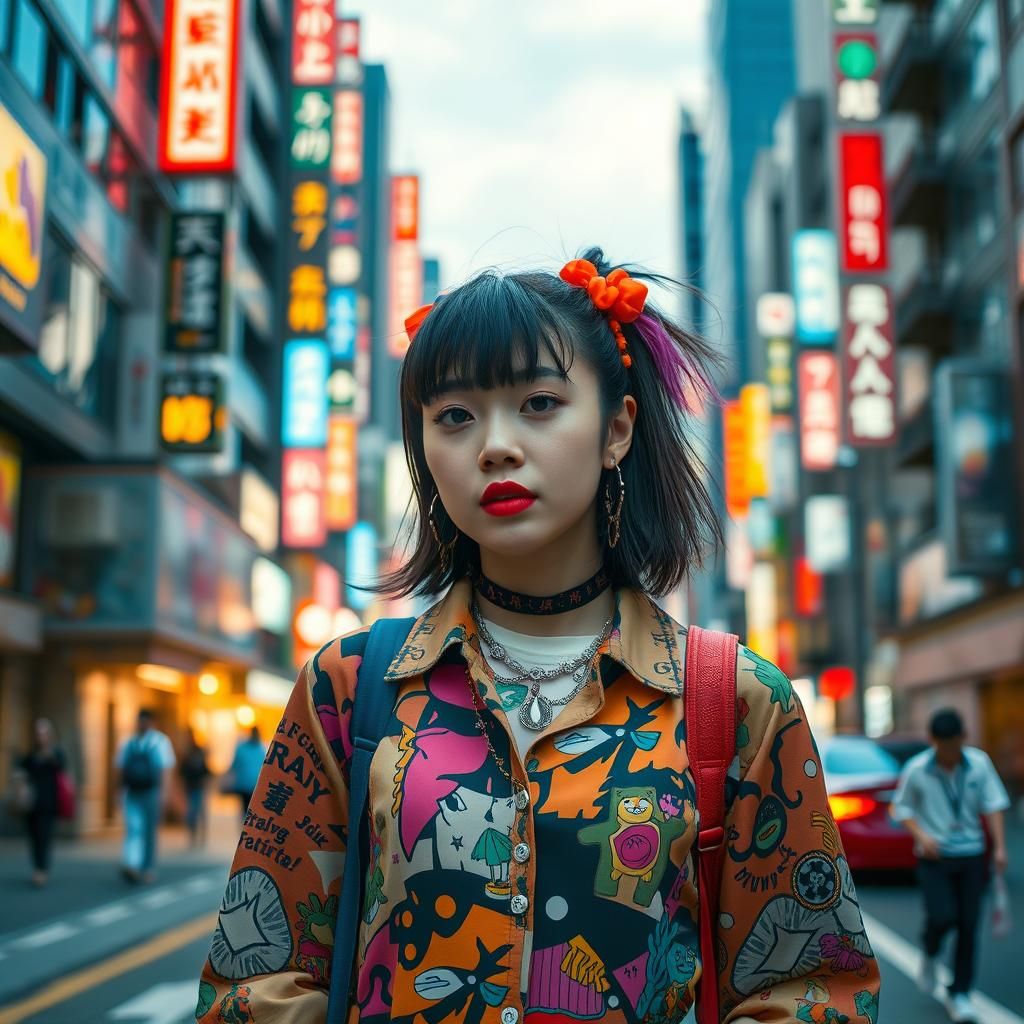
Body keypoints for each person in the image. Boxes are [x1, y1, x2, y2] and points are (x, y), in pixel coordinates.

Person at [196, 251, 880, 1023]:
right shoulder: (349, 688)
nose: (494, 445)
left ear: (616, 428)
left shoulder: (738, 702)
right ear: (422, 447)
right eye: (454, 416)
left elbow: (812, 990)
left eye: (540, 403)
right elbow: (254, 977)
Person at [891, 707, 1010, 1024]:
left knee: (969, 926)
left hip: (972, 855)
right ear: (933, 741)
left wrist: (999, 847)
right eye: (943, 745)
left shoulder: (979, 764)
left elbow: (995, 804)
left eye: (954, 744)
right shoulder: (918, 769)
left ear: (963, 738)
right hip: (934, 857)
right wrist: (922, 835)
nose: (949, 752)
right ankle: (930, 954)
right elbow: (900, 809)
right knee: (943, 916)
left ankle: (960, 993)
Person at [116, 708, 176, 883]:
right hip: (136, 791)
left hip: (150, 792)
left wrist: (164, 793)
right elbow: (120, 769)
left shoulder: (138, 742)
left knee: (147, 830)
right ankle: (133, 864)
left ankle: (146, 866)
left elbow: (166, 771)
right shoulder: (152, 742)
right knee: (134, 828)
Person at [17, 718, 67, 887]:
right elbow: (21, 770)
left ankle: (41, 869)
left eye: (44, 733)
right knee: (34, 836)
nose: (41, 736)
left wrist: (48, 752)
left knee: (44, 836)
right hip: (31, 803)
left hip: (48, 803)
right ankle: (37, 867)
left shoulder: (55, 753)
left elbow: (61, 768)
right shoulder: (31, 755)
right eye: (38, 733)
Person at [180, 730, 212, 847]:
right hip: (193, 786)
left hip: (197, 786)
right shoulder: (189, 753)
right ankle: (195, 836)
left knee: (197, 812)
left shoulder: (194, 752)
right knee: (194, 812)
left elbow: (205, 769)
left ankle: (199, 836)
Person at [227, 726, 266, 819]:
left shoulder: (241, 748)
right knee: (253, 808)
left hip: (243, 784)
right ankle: (250, 826)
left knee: (245, 808)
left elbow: (234, 765)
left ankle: (245, 826)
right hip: (256, 784)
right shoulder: (261, 748)